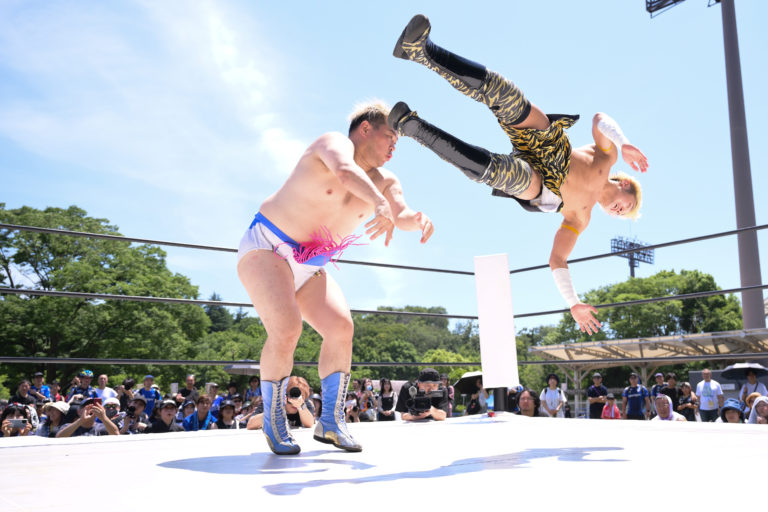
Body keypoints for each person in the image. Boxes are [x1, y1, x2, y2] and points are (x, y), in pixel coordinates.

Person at [388, 14, 647, 336]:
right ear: (625, 184)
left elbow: (557, 259)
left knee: (497, 173)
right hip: (549, 144)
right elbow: (599, 119)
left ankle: (410, 125)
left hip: (540, 183)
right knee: (503, 92)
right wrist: (625, 142)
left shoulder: (581, 218)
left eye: (622, 215)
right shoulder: (606, 158)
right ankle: (420, 50)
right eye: (627, 205)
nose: (621, 211)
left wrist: (573, 303)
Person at [237, 101, 434, 455]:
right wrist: (379, 204)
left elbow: (399, 212)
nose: (394, 145)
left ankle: (330, 421)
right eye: (389, 136)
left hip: (310, 264)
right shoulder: (332, 144)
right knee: (287, 328)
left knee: (341, 328)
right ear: (365, 129)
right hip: (267, 245)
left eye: (397, 142)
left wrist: (416, 219)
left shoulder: (387, 181)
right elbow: (345, 172)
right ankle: (273, 417)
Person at [247, 376, 315, 430]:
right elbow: (250, 424)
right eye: (292, 395)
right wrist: (277, 409)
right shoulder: (272, 402)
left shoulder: (304, 405)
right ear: (283, 394)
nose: (296, 399)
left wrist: (301, 406)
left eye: (300, 396)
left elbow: (309, 424)